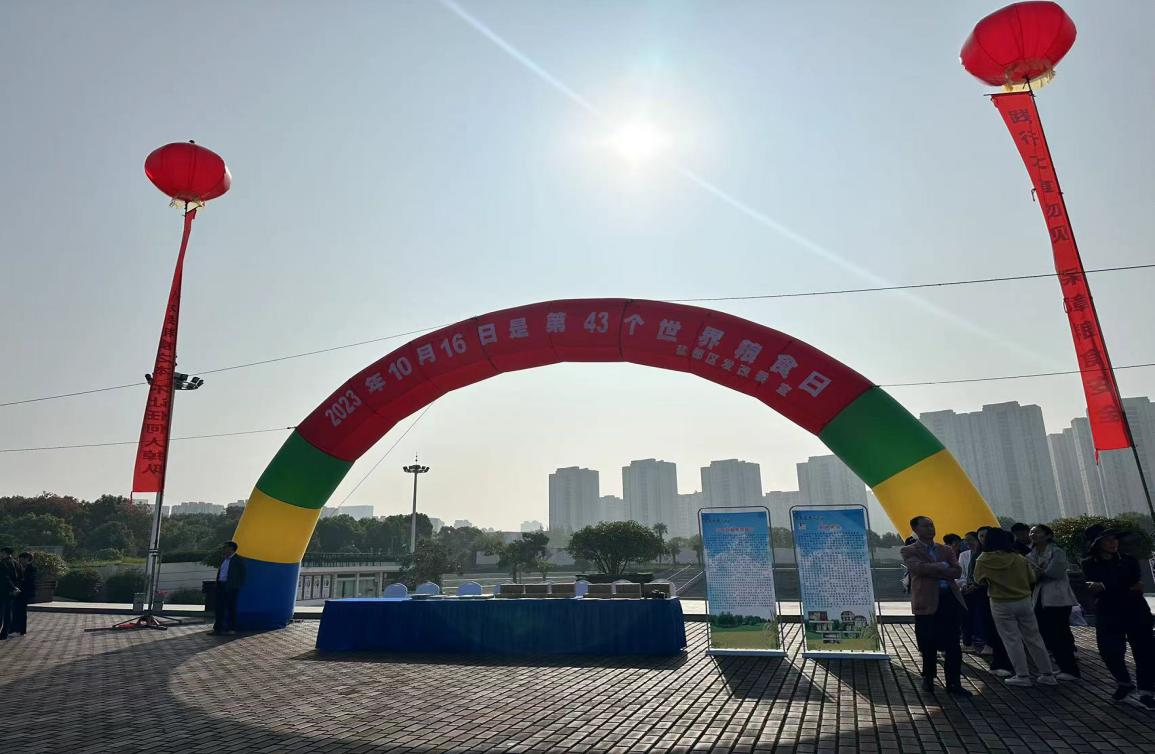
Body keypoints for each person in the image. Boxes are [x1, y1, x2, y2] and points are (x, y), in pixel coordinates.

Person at [974, 528, 1058, 687]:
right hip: (1024, 601)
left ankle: (1022, 675)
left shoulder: (983, 559)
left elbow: (979, 581)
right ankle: (1047, 674)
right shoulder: (1019, 558)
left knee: (1011, 640)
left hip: (1000, 602)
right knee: (1034, 638)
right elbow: (1031, 578)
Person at [1081, 529, 1155, 709]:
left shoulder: (1129, 560)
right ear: (1097, 544)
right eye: (1107, 540)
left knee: (1144, 651)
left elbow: (1134, 584)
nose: (1113, 543)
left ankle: (1146, 691)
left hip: (1136, 610)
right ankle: (1124, 682)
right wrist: (1119, 586)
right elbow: (1119, 584)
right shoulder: (1089, 563)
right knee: (1109, 651)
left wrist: (1105, 586)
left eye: (1114, 539)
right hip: (1108, 612)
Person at [901, 516, 972, 697]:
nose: (930, 529)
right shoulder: (909, 550)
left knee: (953, 643)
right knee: (927, 642)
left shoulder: (945, 549)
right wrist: (942, 567)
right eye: (926, 526)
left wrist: (934, 568)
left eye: (932, 525)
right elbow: (918, 569)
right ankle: (928, 677)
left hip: (949, 600)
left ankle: (954, 682)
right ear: (915, 529)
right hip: (926, 602)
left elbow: (957, 571)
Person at [1026, 525, 1079, 680]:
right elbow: (1030, 576)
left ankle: (1070, 670)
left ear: (1048, 535)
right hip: (1040, 600)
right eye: (1031, 532)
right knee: (1048, 634)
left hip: (1058, 599)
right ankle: (1063, 666)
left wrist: (1038, 572)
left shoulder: (1057, 552)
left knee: (1060, 634)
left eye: (1037, 532)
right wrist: (1039, 572)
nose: (1033, 534)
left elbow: (1054, 573)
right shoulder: (1031, 554)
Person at [211, 541, 247, 635]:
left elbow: (242, 574)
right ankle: (218, 628)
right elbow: (221, 572)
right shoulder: (224, 560)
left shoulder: (238, 560)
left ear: (231, 548)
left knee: (231, 607)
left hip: (230, 587)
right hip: (221, 585)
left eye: (225, 547)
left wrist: (236, 585)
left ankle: (231, 628)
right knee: (219, 608)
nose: (224, 549)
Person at [958, 531, 985, 652]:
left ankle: (980, 640)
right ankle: (967, 642)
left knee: (979, 616)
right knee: (966, 617)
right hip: (967, 590)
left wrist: (974, 585)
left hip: (980, 590)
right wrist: (964, 585)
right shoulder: (964, 555)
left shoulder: (983, 554)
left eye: (970, 540)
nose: (968, 542)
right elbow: (961, 573)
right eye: (966, 540)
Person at [11, 552, 37, 636]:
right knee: (15, 610)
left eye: (22, 559)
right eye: (19, 559)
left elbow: (30, 580)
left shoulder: (32, 569)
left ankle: (22, 629)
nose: (20, 561)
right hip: (17, 592)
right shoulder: (18, 567)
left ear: (27, 559)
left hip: (25, 592)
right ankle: (14, 628)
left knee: (22, 611)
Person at [0, 547, 20, 640]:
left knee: (1, 611)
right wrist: (16, 588)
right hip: (13, 592)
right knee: (8, 612)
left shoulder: (3, 563)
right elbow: (20, 577)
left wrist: (13, 587)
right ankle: (5, 632)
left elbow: (4, 578)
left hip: (3, 590)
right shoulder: (17, 563)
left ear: (5, 553)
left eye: (1, 552)